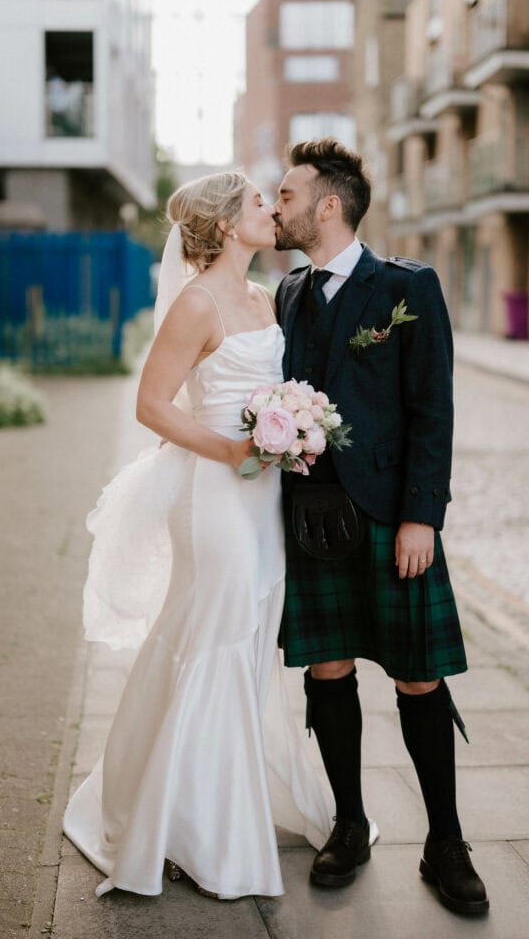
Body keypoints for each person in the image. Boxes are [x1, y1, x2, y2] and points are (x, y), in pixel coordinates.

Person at [63, 171, 334, 899]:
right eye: (256, 202)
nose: (270, 211)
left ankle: (207, 799)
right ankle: (186, 827)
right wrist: (232, 451)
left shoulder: (259, 297)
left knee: (243, 635)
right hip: (214, 490)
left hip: (263, 490)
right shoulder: (196, 302)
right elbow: (154, 405)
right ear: (222, 226)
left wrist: (291, 426)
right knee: (216, 629)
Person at [273, 138, 489, 916]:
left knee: (416, 675)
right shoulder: (289, 294)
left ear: (328, 204)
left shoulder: (408, 288)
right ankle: (351, 825)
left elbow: (434, 410)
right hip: (309, 518)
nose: (277, 206)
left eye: (288, 194)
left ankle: (445, 843)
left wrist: (419, 518)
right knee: (326, 668)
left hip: (390, 516)